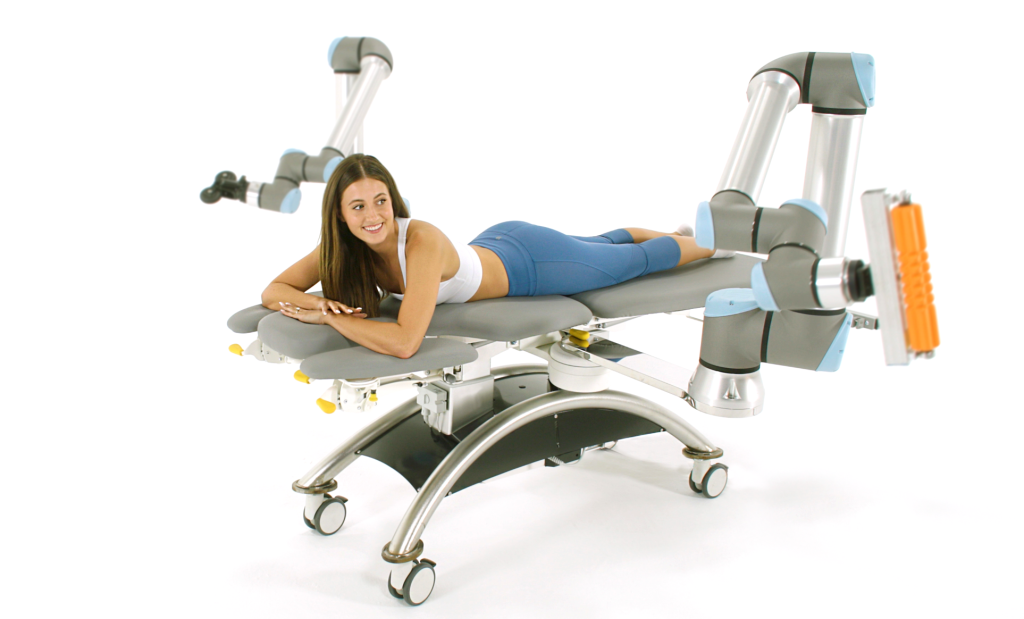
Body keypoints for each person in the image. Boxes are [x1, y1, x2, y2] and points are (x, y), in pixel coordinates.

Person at [261, 154, 720, 359]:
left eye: (380, 201)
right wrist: (317, 302)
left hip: (531, 264)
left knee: (632, 264)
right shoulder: (340, 248)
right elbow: (274, 291)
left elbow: (404, 343)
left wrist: (330, 318)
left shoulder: (420, 241)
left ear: (392, 199)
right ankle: (665, 232)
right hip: (497, 243)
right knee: (597, 245)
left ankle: (711, 239)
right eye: (358, 207)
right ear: (340, 216)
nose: (373, 216)